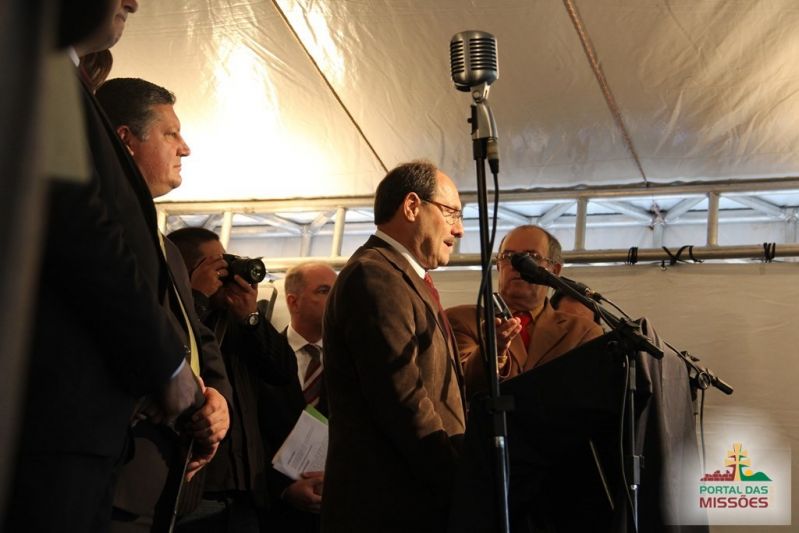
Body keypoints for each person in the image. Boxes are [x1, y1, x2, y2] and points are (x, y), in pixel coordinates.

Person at [5, 2, 204, 531]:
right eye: (170, 134)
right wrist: (165, 366)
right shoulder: (39, 70)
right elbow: (79, 229)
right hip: (54, 425)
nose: (134, 2)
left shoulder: (64, 80)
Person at [96, 78, 232, 530]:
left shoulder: (168, 248)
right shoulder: (94, 228)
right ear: (126, 140)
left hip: (166, 478)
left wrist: (217, 401)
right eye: (170, 133)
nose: (185, 148)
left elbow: (198, 337)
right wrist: (172, 387)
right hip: (112, 468)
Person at [321, 160, 466, 533]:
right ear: (412, 206)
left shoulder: (403, 278)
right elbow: (401, 398)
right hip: (389, 506)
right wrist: (458, 480)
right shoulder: (375, 275)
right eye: (451, 213)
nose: (459, 229)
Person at [167, 227, 298, 532]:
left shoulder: (239, 321)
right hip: (193, 492)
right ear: (187, 269)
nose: (227, 272)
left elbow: (282, 372)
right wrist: (196, 298)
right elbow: (174, 351)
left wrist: (252, 318)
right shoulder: (172, 315)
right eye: (217, 265)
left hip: (246, 494)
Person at [446, 225, 604, 398]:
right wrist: (493, 351)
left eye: (531, 257)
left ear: (555, 270)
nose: (516, 265)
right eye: (508, 256)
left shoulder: (583, 332)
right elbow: (459, 386)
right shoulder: (460, 320)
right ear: (498, 265)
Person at [260, 262, 337, 532]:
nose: (336, 299)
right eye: (324, 291)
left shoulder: (352, 362)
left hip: (337, 507)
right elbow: (254, 436)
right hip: (274, 512)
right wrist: (282, 489)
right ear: (294, 302)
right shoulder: (261, 360)